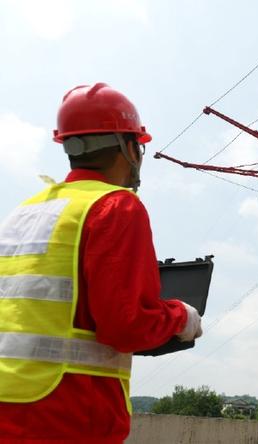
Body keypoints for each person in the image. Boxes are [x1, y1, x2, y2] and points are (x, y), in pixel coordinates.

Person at [0, 83, 203, 443]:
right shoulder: (117, 206)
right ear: (129, 147)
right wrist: (181, 318)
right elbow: (125, 327)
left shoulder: (25, 212)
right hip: (67, 415)